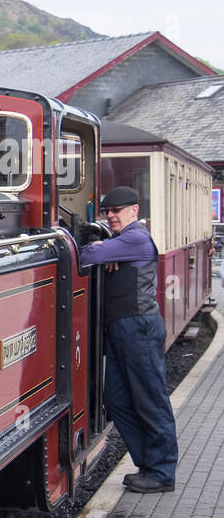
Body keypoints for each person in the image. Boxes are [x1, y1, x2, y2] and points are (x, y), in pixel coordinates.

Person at [78, 185, 177, 493]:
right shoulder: (121, 241)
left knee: (151, 400)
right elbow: (98, 253)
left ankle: (161, 473)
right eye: (107, 212)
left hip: (139, 329)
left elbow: (86, 254)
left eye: (116, 211)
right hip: (123, 330)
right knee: (116, 400)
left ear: (134, 211)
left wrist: (103, 248)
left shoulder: (134, 238)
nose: (111, 216)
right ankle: (147, 463)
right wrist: (108, 246)